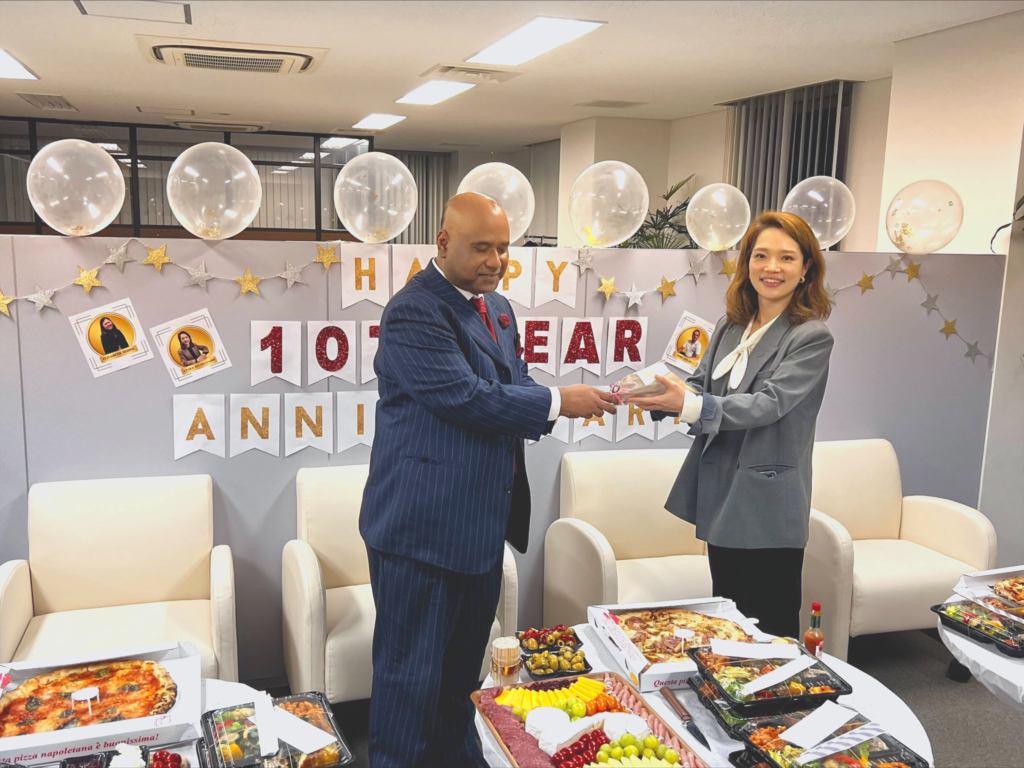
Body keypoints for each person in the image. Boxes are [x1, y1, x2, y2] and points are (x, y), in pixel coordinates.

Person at [359, 192, 618, 768]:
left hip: (479, 526)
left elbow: (514, 385)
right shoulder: (412, 311)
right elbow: (464, 398)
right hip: (419, 531)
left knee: (459, 677)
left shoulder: (497, 308)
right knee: (409, 681)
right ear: (444, 243)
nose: (495, 260)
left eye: (503, 248)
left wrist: (576, 398)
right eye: (481, 248)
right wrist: (558, 401)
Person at [631, 211, 833, 639]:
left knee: (769, 628)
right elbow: (701, 386)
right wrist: (653, 391)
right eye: (760, 256)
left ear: (806, 269)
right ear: (746, 265)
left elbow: (768, 404)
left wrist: (689, 404)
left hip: (767, 503)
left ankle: (779, 707)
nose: (771, 268)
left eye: (786, 258)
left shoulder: (810, 337)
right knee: (727, 621)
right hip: (720, 492)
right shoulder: (731, 326)